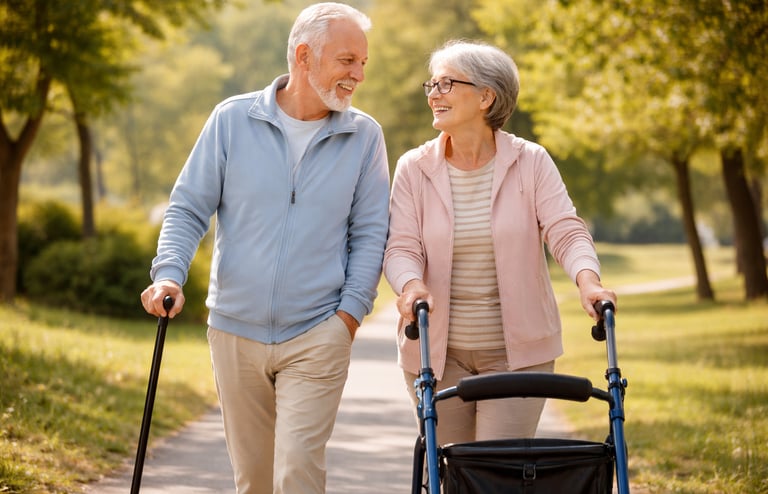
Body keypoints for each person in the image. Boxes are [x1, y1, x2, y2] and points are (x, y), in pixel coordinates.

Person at [140, 3, 389, 493]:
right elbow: (190, 206)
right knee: (254, 481)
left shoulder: (364, 136)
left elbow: (370, 232)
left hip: (319, 331)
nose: (358, 75)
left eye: (363, 63)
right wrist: (168, 273)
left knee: (297, 471)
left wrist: (349, 318)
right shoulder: (232, 120)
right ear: (303, 56)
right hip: (235, 330)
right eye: (347, 61)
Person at [383, 40, 617, 446]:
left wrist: (588, 281)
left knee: (497, 475)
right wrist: (410, 285)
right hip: (437, 356)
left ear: (486, 97)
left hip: (518, 359)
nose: (433, 94)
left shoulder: (531, 162)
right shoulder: (414, 168)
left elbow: (565, 230)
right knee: (452, 471)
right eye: (432, 85)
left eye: (446, 84)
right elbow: (401, 246)